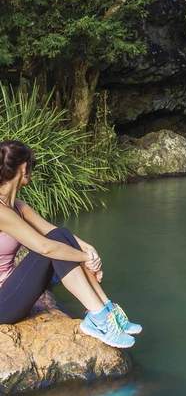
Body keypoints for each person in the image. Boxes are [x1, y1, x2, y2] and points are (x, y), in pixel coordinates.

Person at [0, 139, 142, 348]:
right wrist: (85, 258)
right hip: (3, 305)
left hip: (13, 289)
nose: (32, 170)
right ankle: (98, 318)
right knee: (56, 245)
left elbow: (51, 230)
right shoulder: (1, 212)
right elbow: (45, 247)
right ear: (22, 168)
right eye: (31, 165)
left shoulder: (16, 206)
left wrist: (89, 250)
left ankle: (107, 310)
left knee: (61, 233)